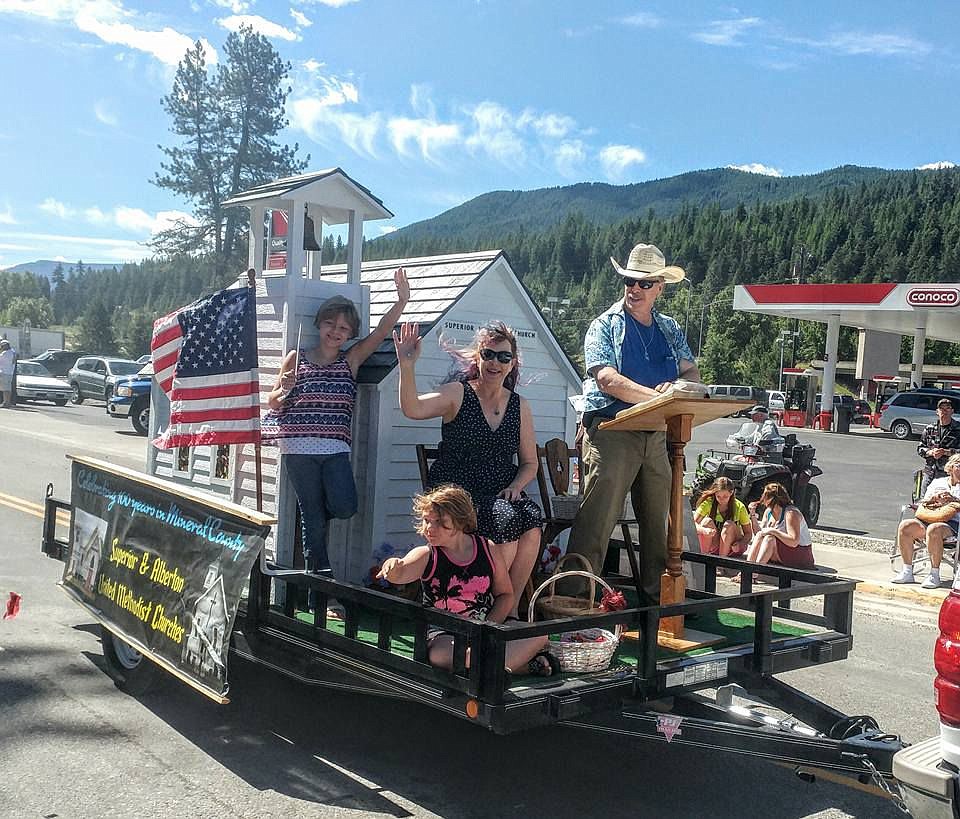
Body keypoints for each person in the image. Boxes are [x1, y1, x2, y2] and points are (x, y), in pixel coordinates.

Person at [566, 243, 700, 604]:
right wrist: (659, 398)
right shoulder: (604, 325)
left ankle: (659, 605)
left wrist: (677, 388)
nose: (634, 289)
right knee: (596, 523)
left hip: (658, 434)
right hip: (612, 430)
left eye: (644, 283)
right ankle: (571, 603)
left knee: (659, 526)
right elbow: (607, 380)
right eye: (629, 281)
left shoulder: (669, 329)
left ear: (660, 287)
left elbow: (692, 372)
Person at [263, 268, 410, 581]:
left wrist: (402, 300)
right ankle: (322, 586)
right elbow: (272, 402)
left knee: (344, 506)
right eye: (330, 323)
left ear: (349, 333)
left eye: (343, 327)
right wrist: (285, 387)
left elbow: (382, 331)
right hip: (297, 449)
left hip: (334, 449)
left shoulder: (351, 359)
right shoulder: (295, 357)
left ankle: (315, 519)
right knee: (313, 523)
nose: (336, 331)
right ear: (319, 323)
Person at [393, 320, 543, 618]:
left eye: (504, 357)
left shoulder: (519, 406)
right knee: (506, 518)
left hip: (500, 490)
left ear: (512, 364)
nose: (495, 363)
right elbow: (413, 409)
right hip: (458, 491)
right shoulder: (457, 393)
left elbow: (529, 462)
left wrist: (516, 486)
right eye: (489, 354)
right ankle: (486, 610)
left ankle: (507, 609)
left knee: (532, 519)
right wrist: (407, 366)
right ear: (478, 357)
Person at [377, 484, 555, 676]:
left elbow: (505, 595)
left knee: (538, 635)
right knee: (441, 656)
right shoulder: (428, 554)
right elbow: (402, 571)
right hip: (443, 634)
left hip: (485, 626)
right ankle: (515, 668)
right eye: (427, 521)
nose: (429, 528)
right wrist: (392, 566)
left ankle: (487, 668)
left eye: (439, 522)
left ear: (460, 520)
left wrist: (487, 627)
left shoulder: (488, 548)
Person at [892, 453, 960, 589]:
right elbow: (923, 502)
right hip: (929, 516)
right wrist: (935, 498)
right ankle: (907, 571)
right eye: (959, 465)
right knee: (906, 526)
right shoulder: (938, 482)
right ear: (951, 467)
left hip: (953, 523)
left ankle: (934, 574)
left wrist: (953, 500)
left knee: (934, 529)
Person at [740, 482, 815, 572]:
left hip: (800, 553)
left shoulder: (791, 513)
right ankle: (746, 571)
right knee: (762, 535)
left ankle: (754, 574)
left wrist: (773, 531)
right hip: (782, 552)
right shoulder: (768, 512)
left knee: (770, 539)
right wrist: (752, 515)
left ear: (772, 499)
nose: (762, 500)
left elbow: (794, 541)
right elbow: (758, 533)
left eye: (765, 496)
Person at [694, 477, 753, 559]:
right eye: (718, 496)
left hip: (733, 548)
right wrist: (705, 531)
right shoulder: (708, 503)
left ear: (731, 492)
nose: (721, 500)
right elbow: (693, 524)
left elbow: (749, 533)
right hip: (715, 545)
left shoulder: (740, 507)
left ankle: (721, 563)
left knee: (728, 525)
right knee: (706, 522)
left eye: (725, 496)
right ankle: (704, 558)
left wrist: (741, 543)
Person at [917, 398, 960, 498]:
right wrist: (931, 452)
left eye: (948, 408)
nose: (944, 411)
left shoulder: (958, 429)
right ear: (937, 411)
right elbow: (920, 448)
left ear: (952, 411)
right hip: (930, 472)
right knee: (925, 502)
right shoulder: (930, 428)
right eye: (942, 408)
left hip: (950, 475)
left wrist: (946, 452)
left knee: (948, 504)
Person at [0, 339, 15, 408]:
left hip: (4, 372)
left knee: (5, 389)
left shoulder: (5, 353)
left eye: (2, 346)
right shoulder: (12, 352)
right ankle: (6, 402)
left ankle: (6, 403)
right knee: (7, 389)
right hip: (9, 372)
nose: (1, 347)